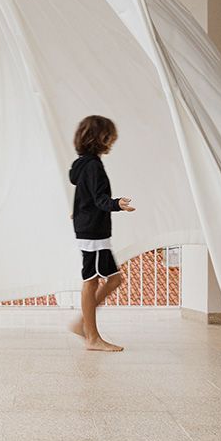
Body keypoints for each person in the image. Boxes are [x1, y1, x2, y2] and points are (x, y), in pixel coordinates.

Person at [69, 115, 135, 351]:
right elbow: (99, 199)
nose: (112, 141)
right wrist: (118, 204)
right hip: (93, 233)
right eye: (110, 137)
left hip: (91, 230)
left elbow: (83, 196)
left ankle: (82, 323)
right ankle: (92, 338)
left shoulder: (84, 164)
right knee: (91, 281)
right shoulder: (93, 166)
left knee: (114, 278)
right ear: (100, 138)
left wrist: (77, 213)